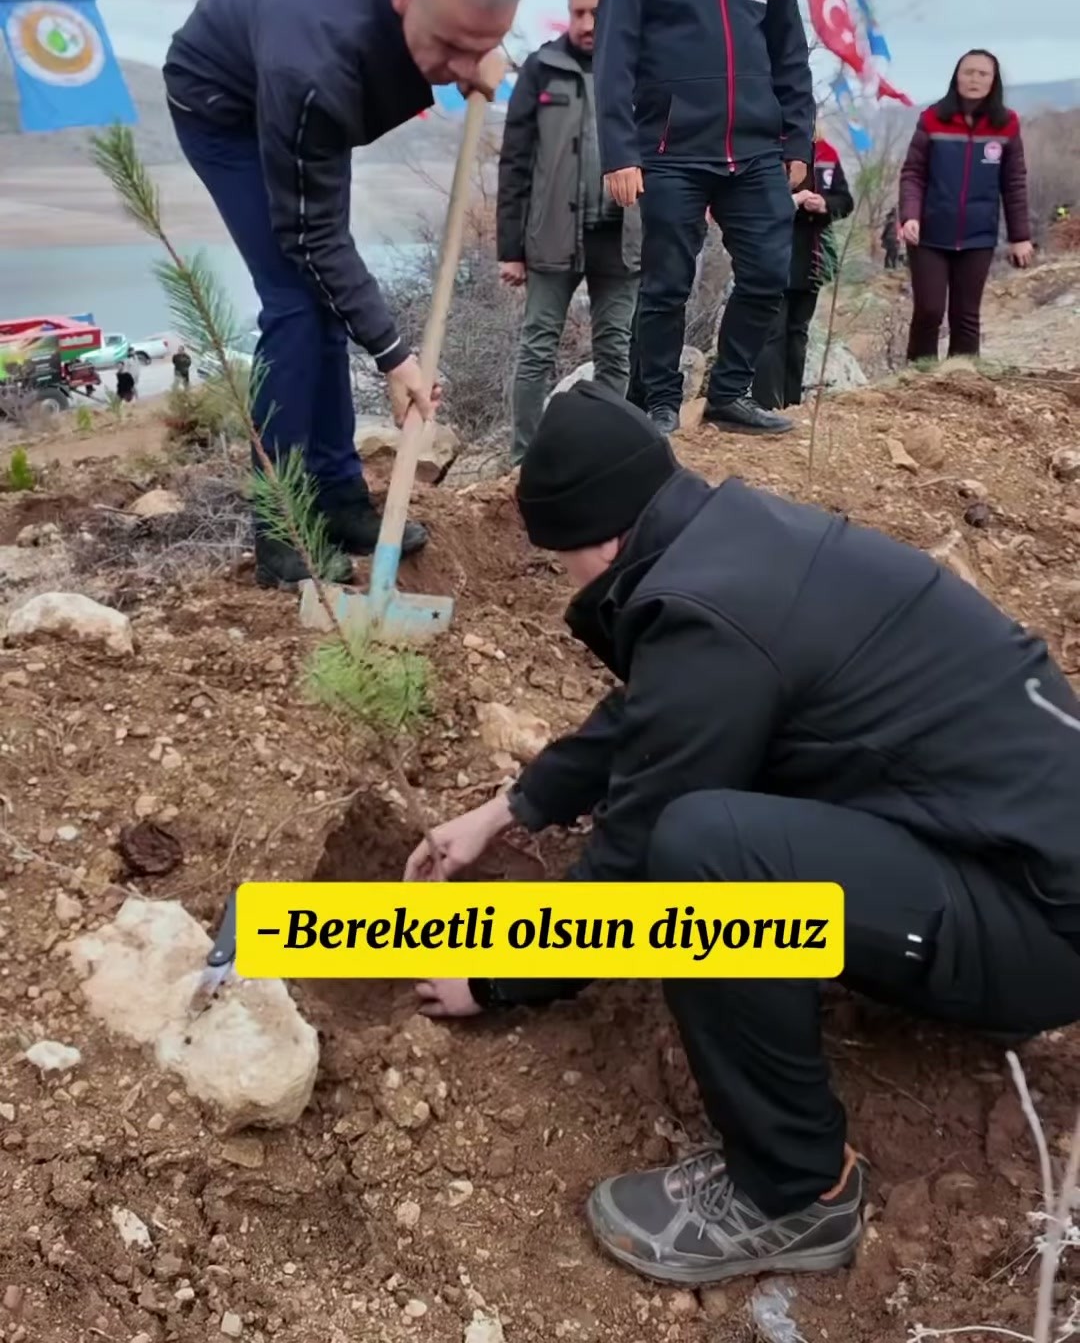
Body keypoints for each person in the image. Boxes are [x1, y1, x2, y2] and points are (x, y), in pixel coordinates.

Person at [405, 381, 1080, 1287]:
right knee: (727, 804)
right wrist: (511, 808)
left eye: (559, 557)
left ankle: (793, 1188)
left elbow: (633, 856)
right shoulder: (739, 544)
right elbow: (661, 712)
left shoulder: (709, 621)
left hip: (1039, 930)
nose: (563, 575)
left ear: (601, 542)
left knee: (705, 850)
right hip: (1018, 857)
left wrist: (493, 975)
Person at [164, 0, 524, 588]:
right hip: (225, 100)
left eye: (478, 45)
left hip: (299, 83)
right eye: (449, 46)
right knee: (297, 301)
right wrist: (395, 355)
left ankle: (337, 496)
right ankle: (283, 527)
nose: (462, 69)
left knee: (327, 297)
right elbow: (312, 235)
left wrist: (484, 48)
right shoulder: (315, 70)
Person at [593, 0, 814, 440]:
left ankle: (729, 394)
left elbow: (789, 51)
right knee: (667, 284)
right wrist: (620, 152)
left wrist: (797, 137)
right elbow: (613, 59)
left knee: (769, 273)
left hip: (755, 150)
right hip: (670, 151)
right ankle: (660, 403)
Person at [497, 0, 641, 462]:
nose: (586, 24)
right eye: (577, 12)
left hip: (621, 237)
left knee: (615, 350)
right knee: (537, 349)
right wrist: (510, 249)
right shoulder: (541, 68)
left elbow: (667, 156)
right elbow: (515, 162)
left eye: (596, 13)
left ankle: (609, 460)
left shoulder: (640, 69)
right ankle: (524, 461)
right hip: (552, 235)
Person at [899, 49, 1033, 364]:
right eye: (968, 72)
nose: (974, 79)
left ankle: (962, 379)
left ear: (993, 81)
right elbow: (913, 173)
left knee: (966, 315)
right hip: (929, 234)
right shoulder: (933, 118)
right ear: (956, 76)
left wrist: (1020, 236)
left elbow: (1014, 183)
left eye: (983, 74)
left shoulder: (1006, 124)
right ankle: (919, 377)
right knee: (929, 310)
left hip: (978, 236)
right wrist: (910, 216)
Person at [752, 130, 853, 411]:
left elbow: (845, 201)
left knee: (798, 332)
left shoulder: (826, 152)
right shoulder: (767, 145)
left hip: (812, 255)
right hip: (772, 251)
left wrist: (825, 204)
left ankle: (792, 403)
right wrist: (792, 200)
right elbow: (754, 199)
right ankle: (765, 403)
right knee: (772, 331)